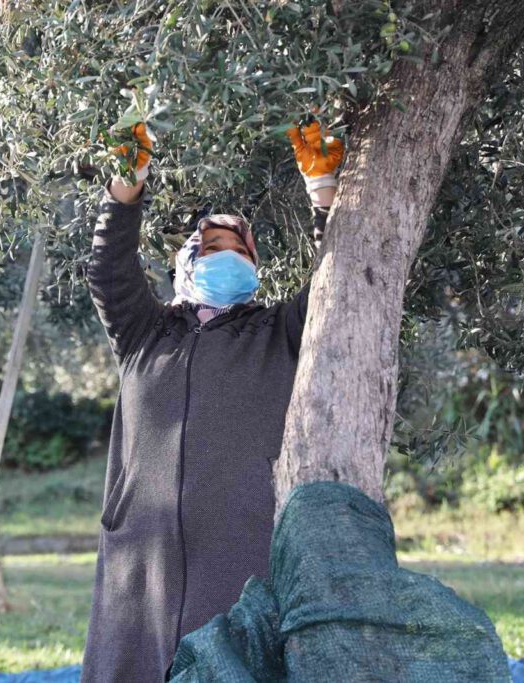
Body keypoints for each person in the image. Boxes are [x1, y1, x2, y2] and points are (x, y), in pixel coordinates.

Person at [81, 120, 344, 681]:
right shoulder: (144, 334)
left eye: (240, 252)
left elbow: (337, 279)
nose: (230, 258)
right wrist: (127, 184)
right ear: (188, 263)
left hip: (240, 546)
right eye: (214, 247)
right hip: (140, 556)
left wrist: (324, 194)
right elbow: (108, 272)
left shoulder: (278, 334)